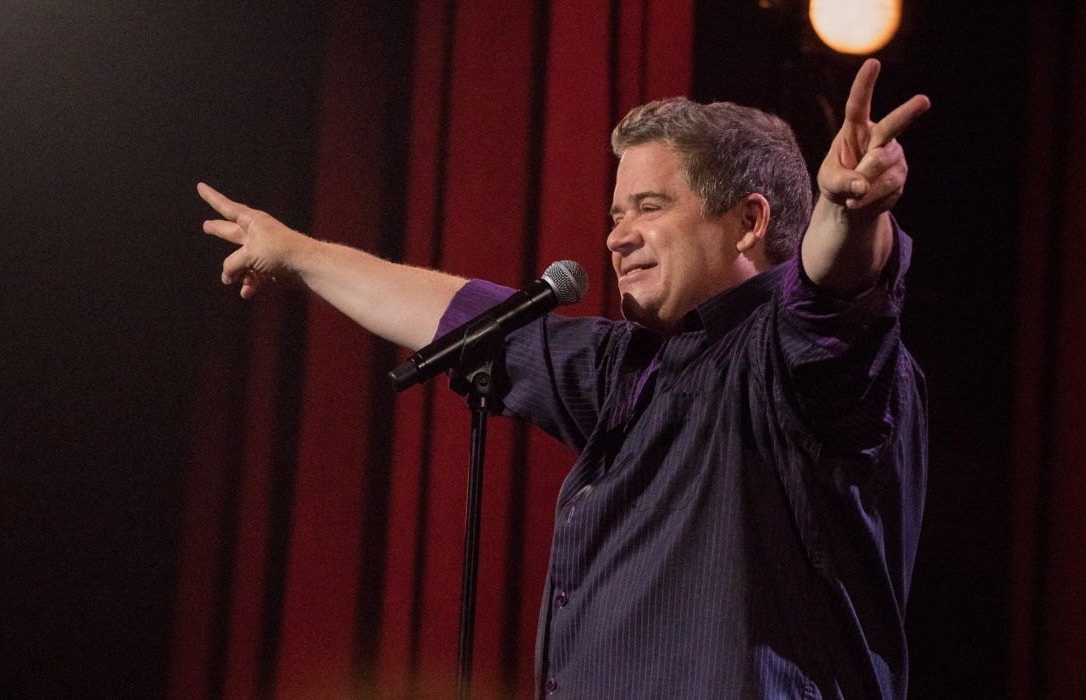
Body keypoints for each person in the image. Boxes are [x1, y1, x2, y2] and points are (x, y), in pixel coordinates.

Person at [199, 58, 929, 699]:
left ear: (747, 221)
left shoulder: (797, 360)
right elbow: (466, 317)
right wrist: (297, 253)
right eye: (615, 213)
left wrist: (847, 211)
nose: (617, 234)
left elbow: (834, 302)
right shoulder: (628, 369)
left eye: (650, 206)